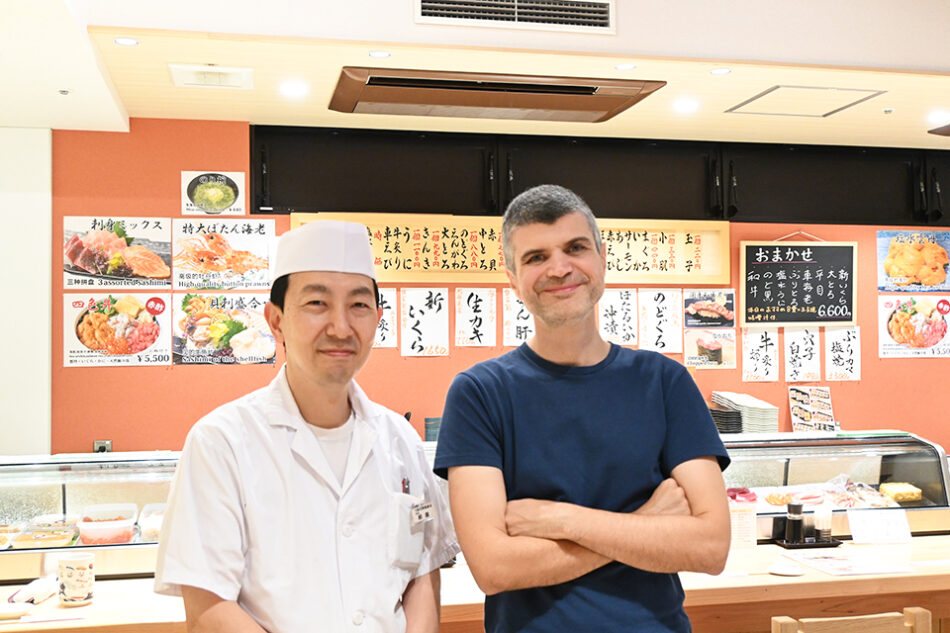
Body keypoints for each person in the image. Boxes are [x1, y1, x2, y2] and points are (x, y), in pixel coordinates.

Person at [434, 185, 731, 633]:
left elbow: (710, 547)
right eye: (536, 257)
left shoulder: (664, 381)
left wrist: (562, 520)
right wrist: (646, 524)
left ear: (602, 259)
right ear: (512, 277)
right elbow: (494, 568)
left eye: (575, 248)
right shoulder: (480, 392)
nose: (559, 268)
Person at [155, 220, 459, 633]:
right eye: (317, 303)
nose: (340, 327)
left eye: (358, 305)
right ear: (276, 320)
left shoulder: (400, 439)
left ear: (377, 319)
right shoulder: (222, 441)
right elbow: (208, 606)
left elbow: (422, 571)